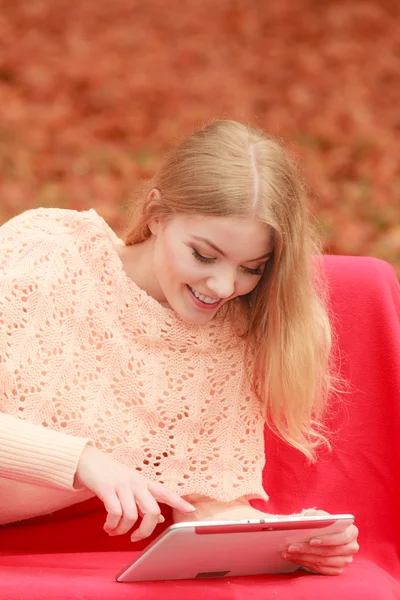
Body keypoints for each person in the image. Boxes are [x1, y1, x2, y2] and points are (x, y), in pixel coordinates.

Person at [0, 119, 358, 575]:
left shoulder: (228, 340)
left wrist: (293, 542)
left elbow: (213, 509)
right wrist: (83, 460)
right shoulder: (49, 249)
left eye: (252, 268)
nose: (224, 285)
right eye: (204, 255)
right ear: (157, 213)